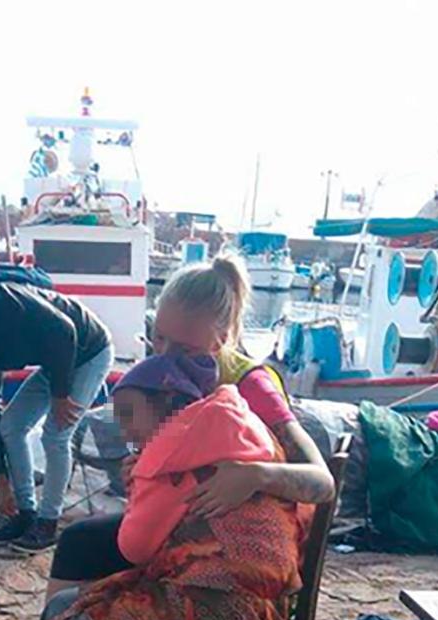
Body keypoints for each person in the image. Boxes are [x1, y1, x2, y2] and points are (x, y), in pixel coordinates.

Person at [45, 255, 335, 601]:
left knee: (94, 559)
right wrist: (139, 470)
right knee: (77, 542)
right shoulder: (164, 373)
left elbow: (323, 482)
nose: (165, 354)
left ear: (220, 340)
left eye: (183, 347)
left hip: (235, 551)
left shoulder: (251, 385)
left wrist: (256, 475)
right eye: (159, 338)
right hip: (183, 525)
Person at [37, 351, 309, 620]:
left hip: (208, 611)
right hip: (264, 605)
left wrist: (139, 486)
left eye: (128, 414)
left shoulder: (169, 454)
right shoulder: (242, 426)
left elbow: (135, 548)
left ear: (166, 401)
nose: (126, 431)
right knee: (63, 603)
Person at [0, 279, 113, 552]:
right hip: (56, 360)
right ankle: (26, 513)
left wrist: (60, 395)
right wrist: (2, 482)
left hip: (89, 349)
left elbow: (65, 331)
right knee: (11, 425)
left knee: (56, 434)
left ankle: (48, 521)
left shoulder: (2, 301)